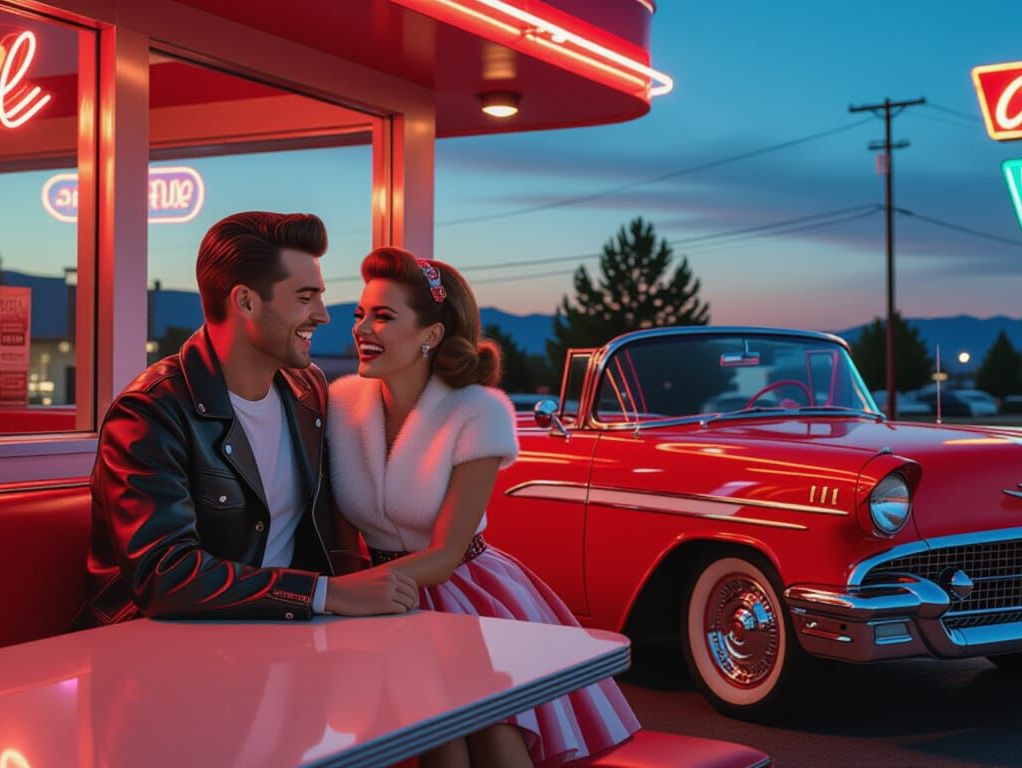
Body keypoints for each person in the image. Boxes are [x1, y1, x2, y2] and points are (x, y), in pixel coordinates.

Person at [327, 247, 639, 768]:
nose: (362, 328)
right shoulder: (340, 404)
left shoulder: (477, 413)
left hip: (465, 592)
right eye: (360, 314)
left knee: (490, 730)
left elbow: (446, 553)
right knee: (427, 742)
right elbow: (339, 535)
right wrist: (340, 590)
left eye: (383, 316)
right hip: (372, 598)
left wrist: (340, 595)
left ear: (431, 334)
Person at [75, 212, 418, 629]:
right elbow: (164, 577)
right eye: (306, 297)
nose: (324, 315)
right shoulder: (150, 412)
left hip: (287, 633)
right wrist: (323, 593)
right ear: (245, 302)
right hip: (159, 646)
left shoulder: (307, 390)